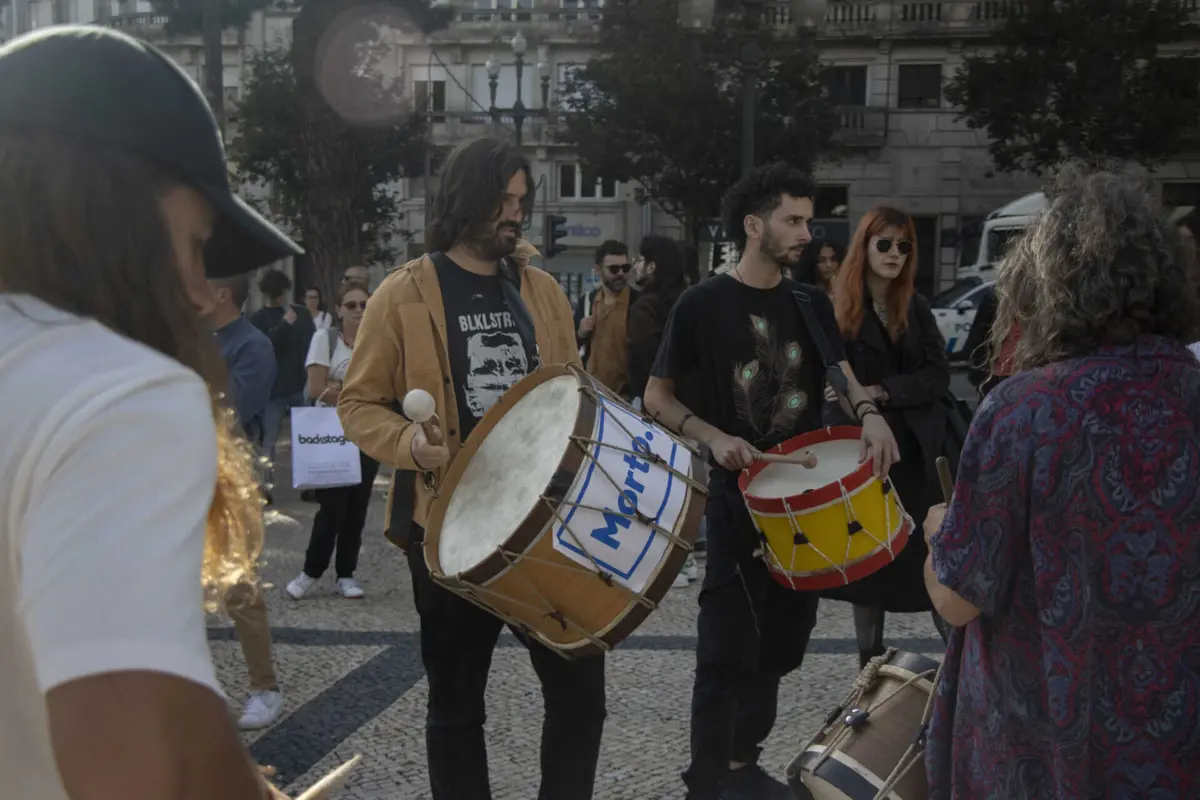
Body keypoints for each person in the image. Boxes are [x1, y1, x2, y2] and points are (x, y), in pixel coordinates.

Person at [0, 25, 301, 800]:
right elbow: (130, 767)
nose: (205, 289)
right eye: (197, 243)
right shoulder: (121, 395)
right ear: (109, 208)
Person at [338, 137, 604, 800]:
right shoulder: (401, 295)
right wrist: (408, 443)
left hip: (544, 527)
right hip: (450, 530)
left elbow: (574, 391)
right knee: (457, 707)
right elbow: (358, 403)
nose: (514, 214)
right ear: (465, 199)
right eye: (501, 200)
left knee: (581, 693)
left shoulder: (541, 291)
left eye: (521, 201)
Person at [923, 166, 1200, 798]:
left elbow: (958, 598)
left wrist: (941, 533)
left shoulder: (1025, 409)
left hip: (1044, 751)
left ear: (1052, 287)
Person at [643, 163, 900, 800]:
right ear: (753, 225)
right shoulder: (700, 304)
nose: (806, 233)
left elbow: (841, 374)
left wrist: (868, 416)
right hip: (737, 501)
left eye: (808, 220)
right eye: (793, 220)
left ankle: (742, 759)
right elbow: (656, 396)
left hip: (805, 499)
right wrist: (712, 435)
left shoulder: (809, 302)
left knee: (786, 640)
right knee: (725, 644)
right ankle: (706, 779)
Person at [824, 207, 951, 666]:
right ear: (865, 246)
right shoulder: (838, 310)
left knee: (933, 557)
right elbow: (832, 383)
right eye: (885, 243)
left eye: (904, 246)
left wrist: (881, 390)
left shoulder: (914, 306)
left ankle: (958, 660)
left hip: (921, 452)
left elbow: (938, 374)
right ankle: (868, 662)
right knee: (872, 563)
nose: (895, 254)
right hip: (869, 454)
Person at [206, 275, 287, 730]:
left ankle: (265, 688)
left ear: (221, 294)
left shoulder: (252, 346)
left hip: (228, 482)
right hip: (174, 471)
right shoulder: (187, 336)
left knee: (239, 589)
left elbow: (228, 408)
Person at [287, 280, 378, 601]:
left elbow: (383, 388)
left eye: (364, 305)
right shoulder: (323, 339)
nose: (358, 311)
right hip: (332, 433)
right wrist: (357, 394)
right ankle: (311, 571)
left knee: (358, 508)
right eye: (351, 305)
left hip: (366, 433)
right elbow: (316, 388)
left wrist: (340, 386)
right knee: (333, 508)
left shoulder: (377, 342)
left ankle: (346, 574)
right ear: (338, 309)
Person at [250, 268, 316, 496]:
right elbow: (265, 346)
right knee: (274, 441)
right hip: (279, 388)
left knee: (288, 440)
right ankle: (267, 489)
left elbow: (311, 341)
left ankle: (297, 486)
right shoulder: (260, 319)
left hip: (293, 385)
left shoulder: (299, 315)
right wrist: (284, 326)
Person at [574, 239, 638, 397]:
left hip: (625, 397)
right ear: (598, 269)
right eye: (614, 269)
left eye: (625, 268)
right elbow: (570, 345)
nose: (621, 274)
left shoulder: (637, 303)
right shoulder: (588, 301)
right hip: (591, 392)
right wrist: (581, 333)